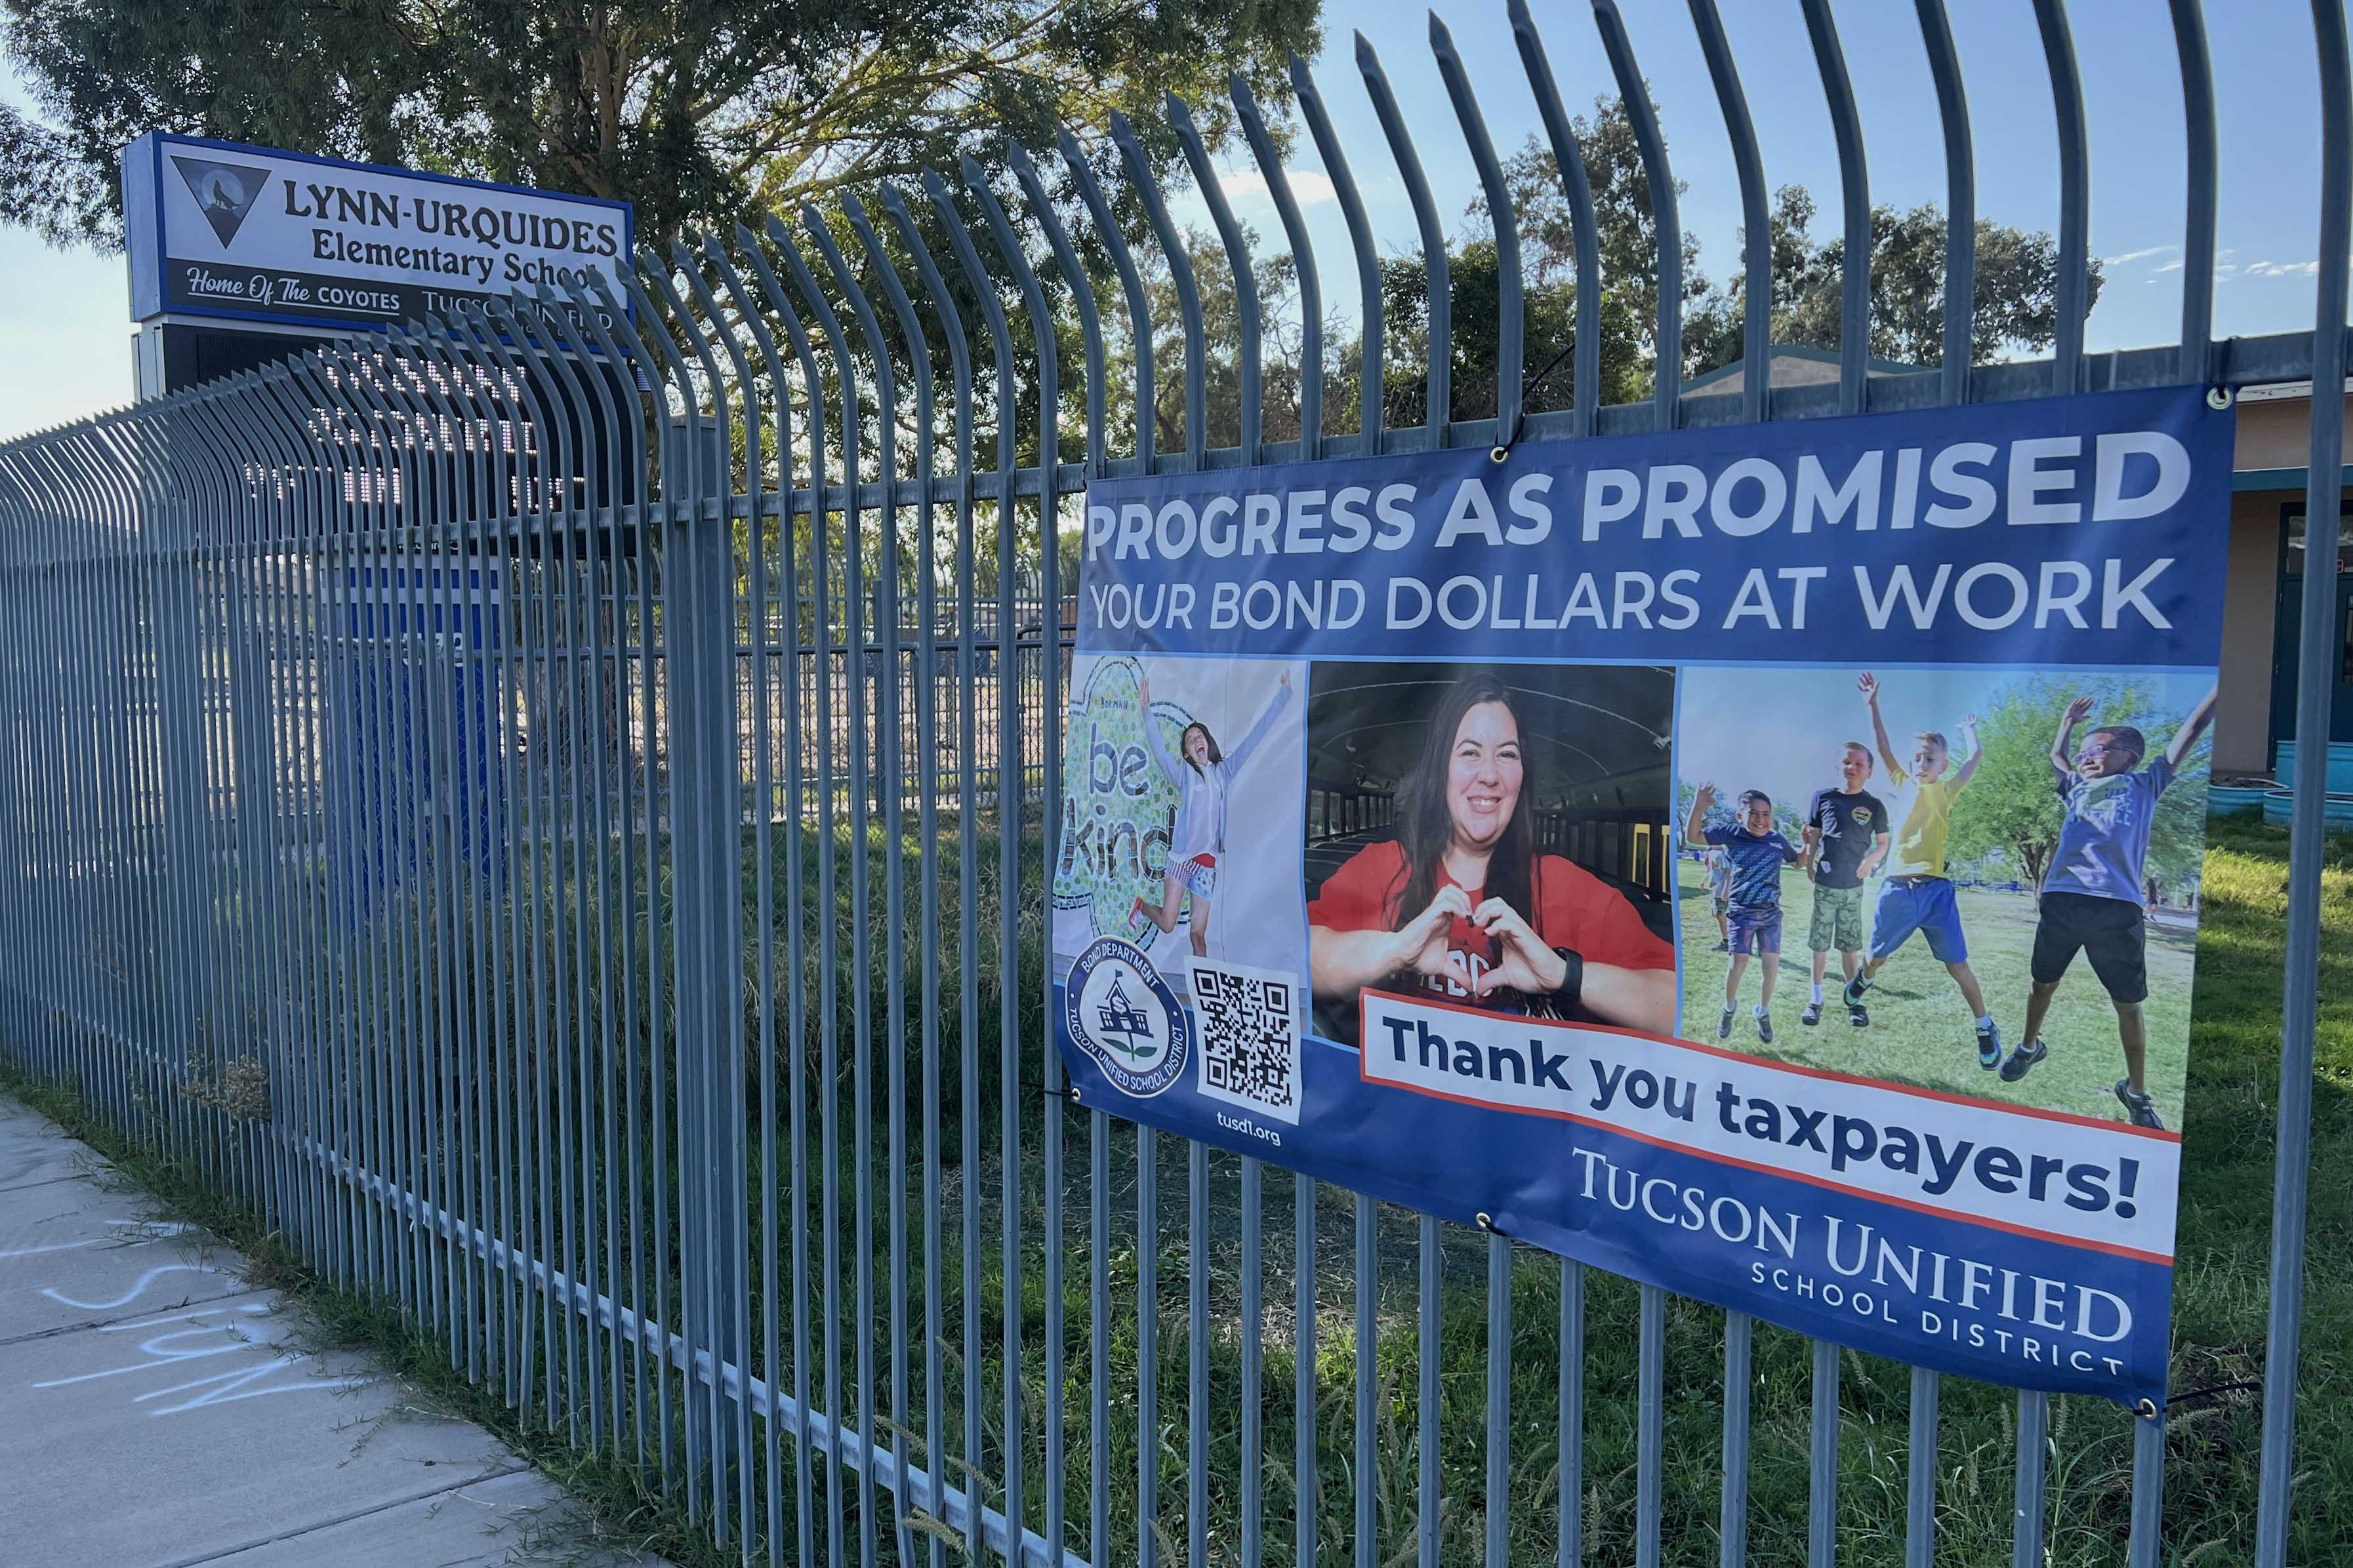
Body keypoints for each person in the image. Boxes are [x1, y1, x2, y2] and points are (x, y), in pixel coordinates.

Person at [1307, 671, 1675, 1035]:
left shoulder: (1570, 890)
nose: (1489, 775)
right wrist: (1394, 952)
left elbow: (1677, 1007)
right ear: (1441, 771)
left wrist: (1564, 974)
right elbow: (1299, 959)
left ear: (1521, 778)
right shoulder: (1381, 869)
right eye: (1470, 752)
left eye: (1507, 755)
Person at [1997, 687, 2218, 1129]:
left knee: (2128, 1005)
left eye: (2095, 750)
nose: (2083, 758)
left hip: (2116, 909)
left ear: (2128, 755)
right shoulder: (2076, 787)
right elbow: (2056, 757)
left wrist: (2217, 688)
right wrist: (2066, 723)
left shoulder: (2144, 784)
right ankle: (2028, 1046)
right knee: (2042, 986)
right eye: (2082, 753)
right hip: (2062, 900)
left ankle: (2135, 1093)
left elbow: (2191, 728)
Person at [1843, 673, 2003, 1067]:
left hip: (1936, 892)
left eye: (1929, 758)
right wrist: (1873, 705)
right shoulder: (1902, 781)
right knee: (1876, 959)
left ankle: (1984, 1026)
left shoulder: (1946, 791)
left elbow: (1975, 759)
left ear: (1942, 764)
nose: (1920, 762)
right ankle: (1864, 979)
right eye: (1917, 757)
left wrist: (1970, 731)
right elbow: (1882, 746)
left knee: (1957, 965)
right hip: (1896, 890)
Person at [1129, 667, 1292, 959]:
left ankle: (1202, 991)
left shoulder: (1223, 772)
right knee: (1167, 924)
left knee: (1198, 935)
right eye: (1190, 740)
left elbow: (1254, 738)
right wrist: (1146, 710)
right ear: (1189, 755)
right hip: (1182, 861)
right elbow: (1159, 752)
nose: (1196, 740)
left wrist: (1282, 696)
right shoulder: (1183, 776)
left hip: (1206, 865)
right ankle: (1142, 906)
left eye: (1199, 736)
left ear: (1208, 743)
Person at [1685, 784, 1805, 1043]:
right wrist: (1699, 805)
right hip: (1741, 911)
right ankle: (1729, 1008)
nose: (1760, 820)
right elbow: (1693, 837)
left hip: (1771, 914)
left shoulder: (1777, 840)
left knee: (1771, 968)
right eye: (1753, 813)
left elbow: (1798, 862)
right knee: (1738, 962)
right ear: (1740, 816)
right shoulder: (1732, 833)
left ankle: (1763, 1012)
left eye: (1765, 814)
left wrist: (1811, 841)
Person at [1801, 742, 1891, 1028]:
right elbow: (1814, 834)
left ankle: (1855, 1003)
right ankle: (1815, 1001)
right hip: (1826, 883)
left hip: (1853, 888)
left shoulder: (1875, 806)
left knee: (1849, 947)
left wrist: (1873, 860)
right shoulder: (1823, 798)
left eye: (1859, 764)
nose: (1851, 768)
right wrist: (1810, 861)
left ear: (1870, 772)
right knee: (1820, 945)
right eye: (1847, 763)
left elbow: (1883, 844)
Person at [1707, 846, 1733, 952]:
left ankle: (1726, 942)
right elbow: (1712, 870)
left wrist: (1726, 890)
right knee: (1715, 914)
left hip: (1721, 889)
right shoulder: (1711, 852)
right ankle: (1732, 938)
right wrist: (1704, 881)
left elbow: (1728, 872)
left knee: (1719, 914)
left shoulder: (1724, 853)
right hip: (1715, 888)